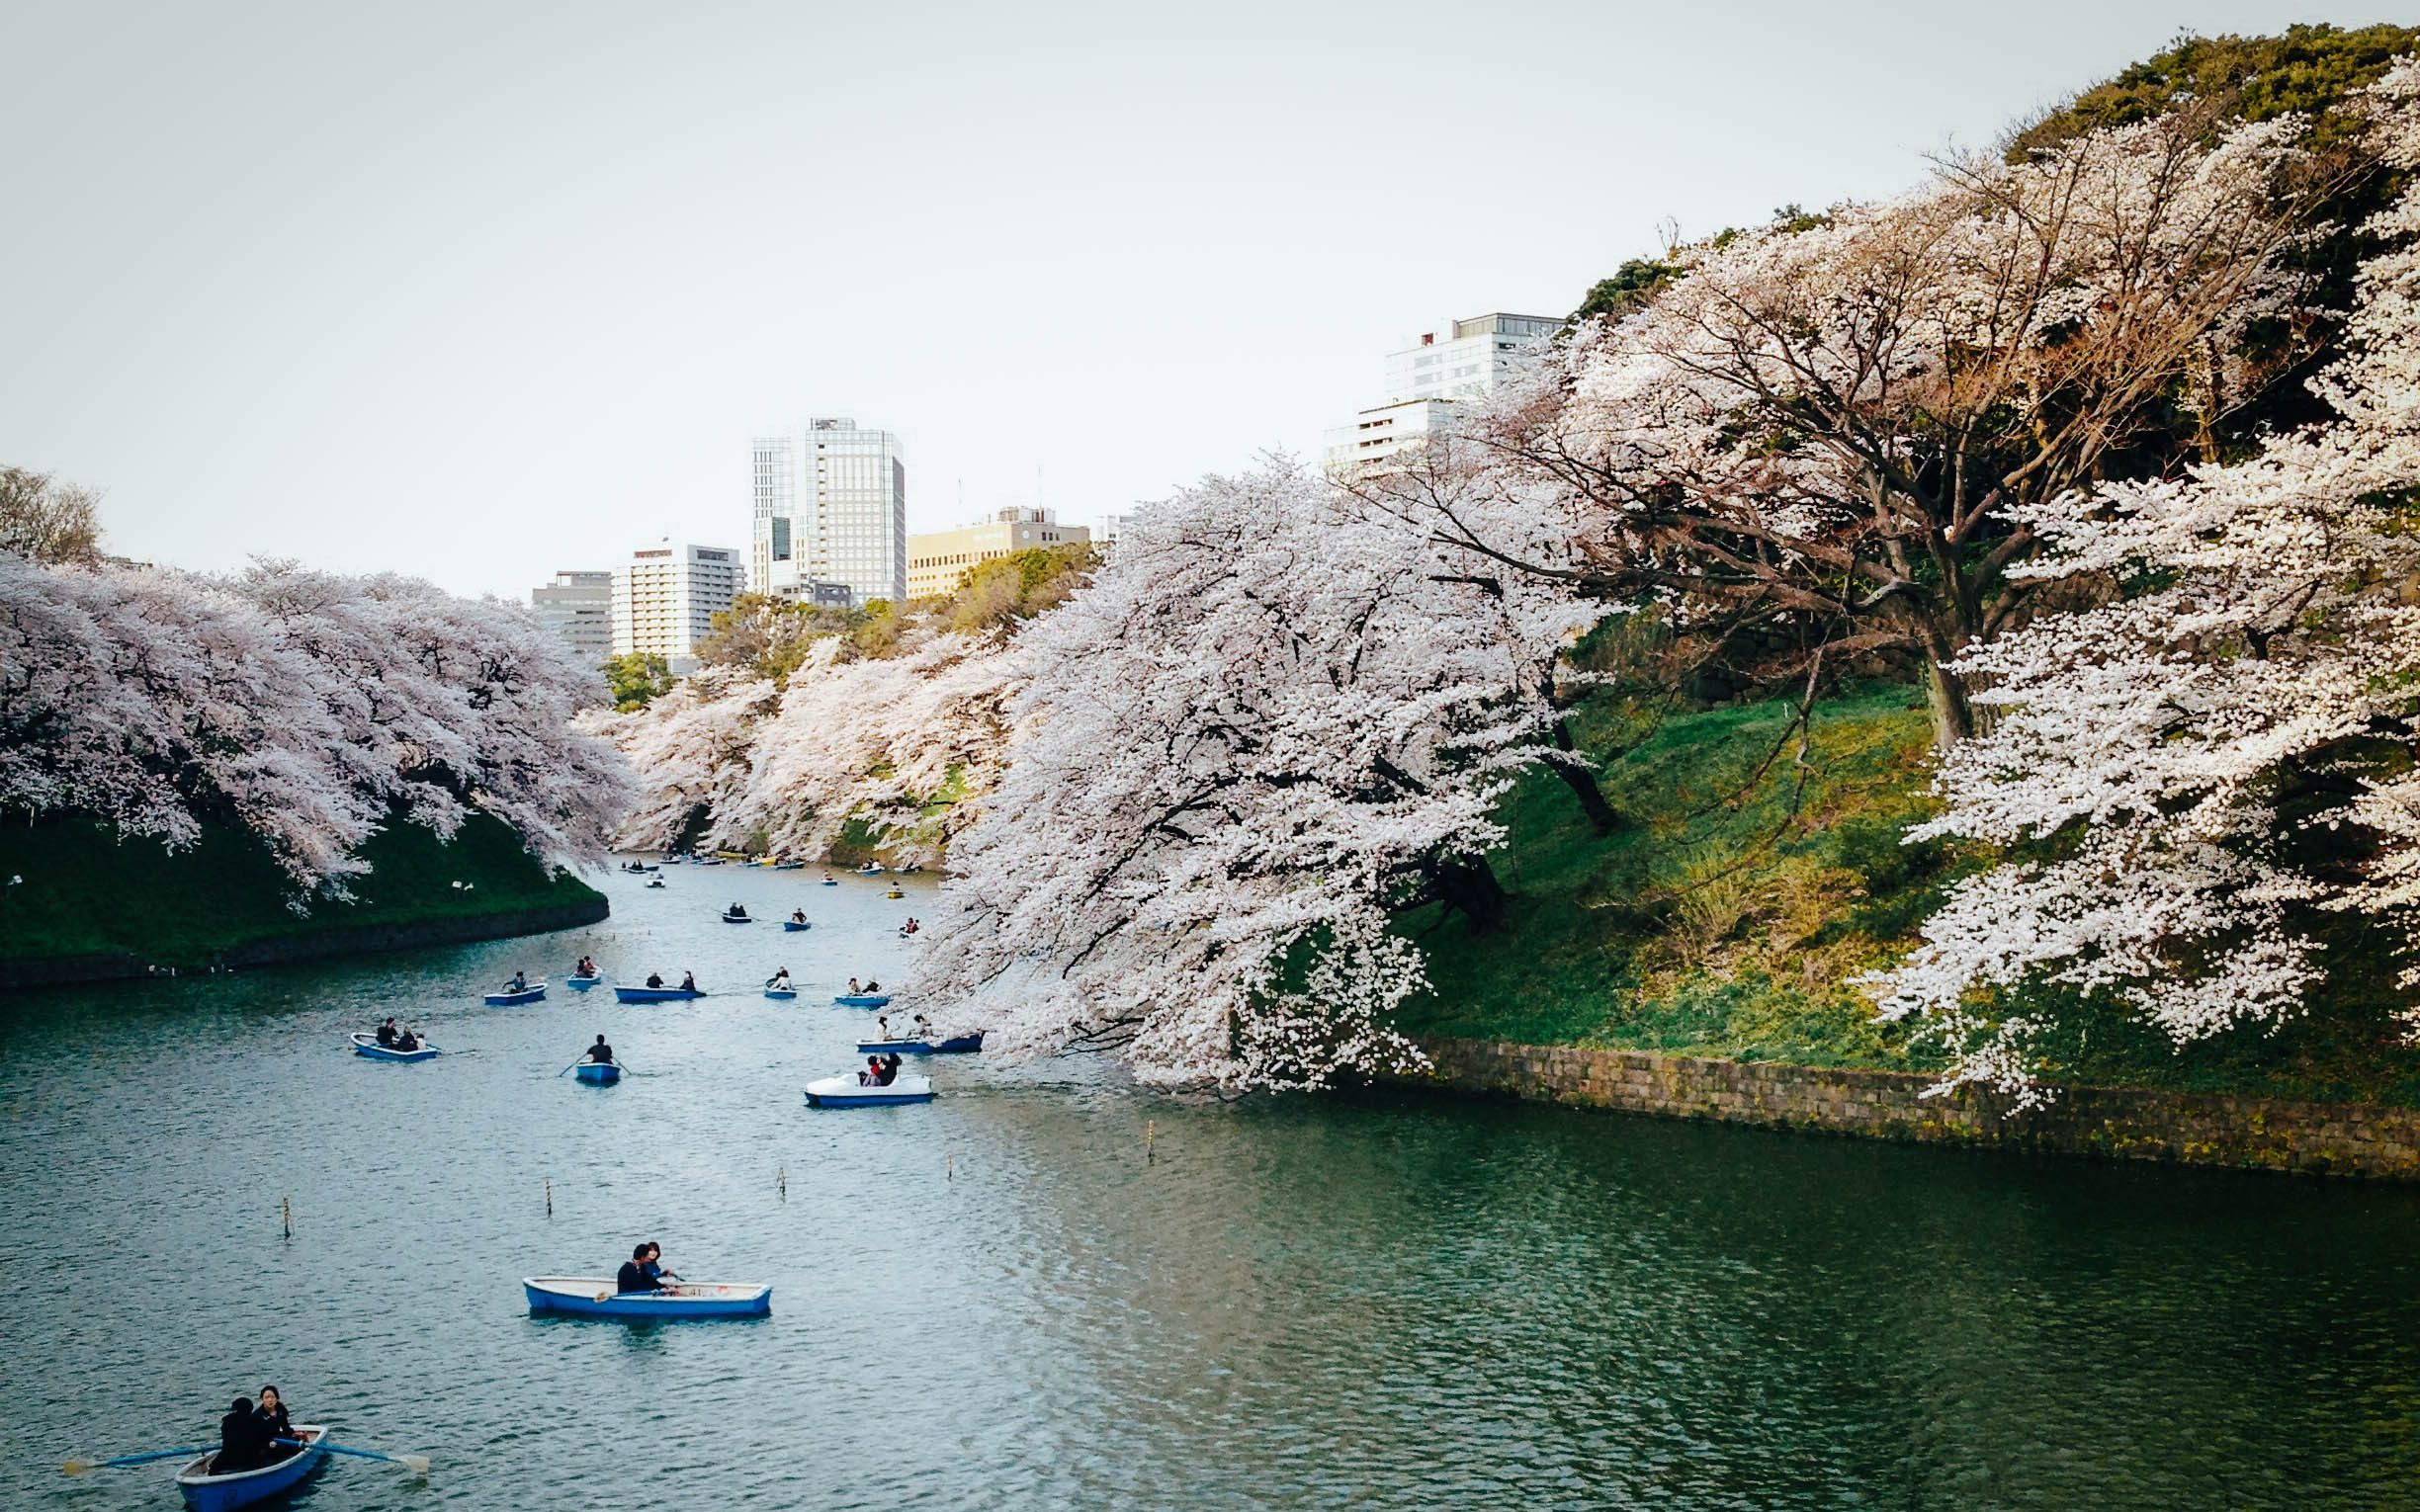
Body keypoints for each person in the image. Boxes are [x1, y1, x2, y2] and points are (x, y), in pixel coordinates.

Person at [216, 1394, 270, 1474]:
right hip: (249, 1460)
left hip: (227, 1459)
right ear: (250, 1409)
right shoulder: (256, 1422)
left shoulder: (227, 1422)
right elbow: (264, 1441)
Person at [255, 1385, 295, 1458]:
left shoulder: (281, 1410)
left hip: (278, 1438)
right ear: (262, 1399)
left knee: (293, 1444)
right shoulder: (257, 1415)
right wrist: (267, 1444)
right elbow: (255, 1437)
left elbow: (285, 1427)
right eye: (266, 1397)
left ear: (276, 1398)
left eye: (272, 1397)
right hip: (265, 1443)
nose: (270, 1400)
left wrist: (293, 1434)